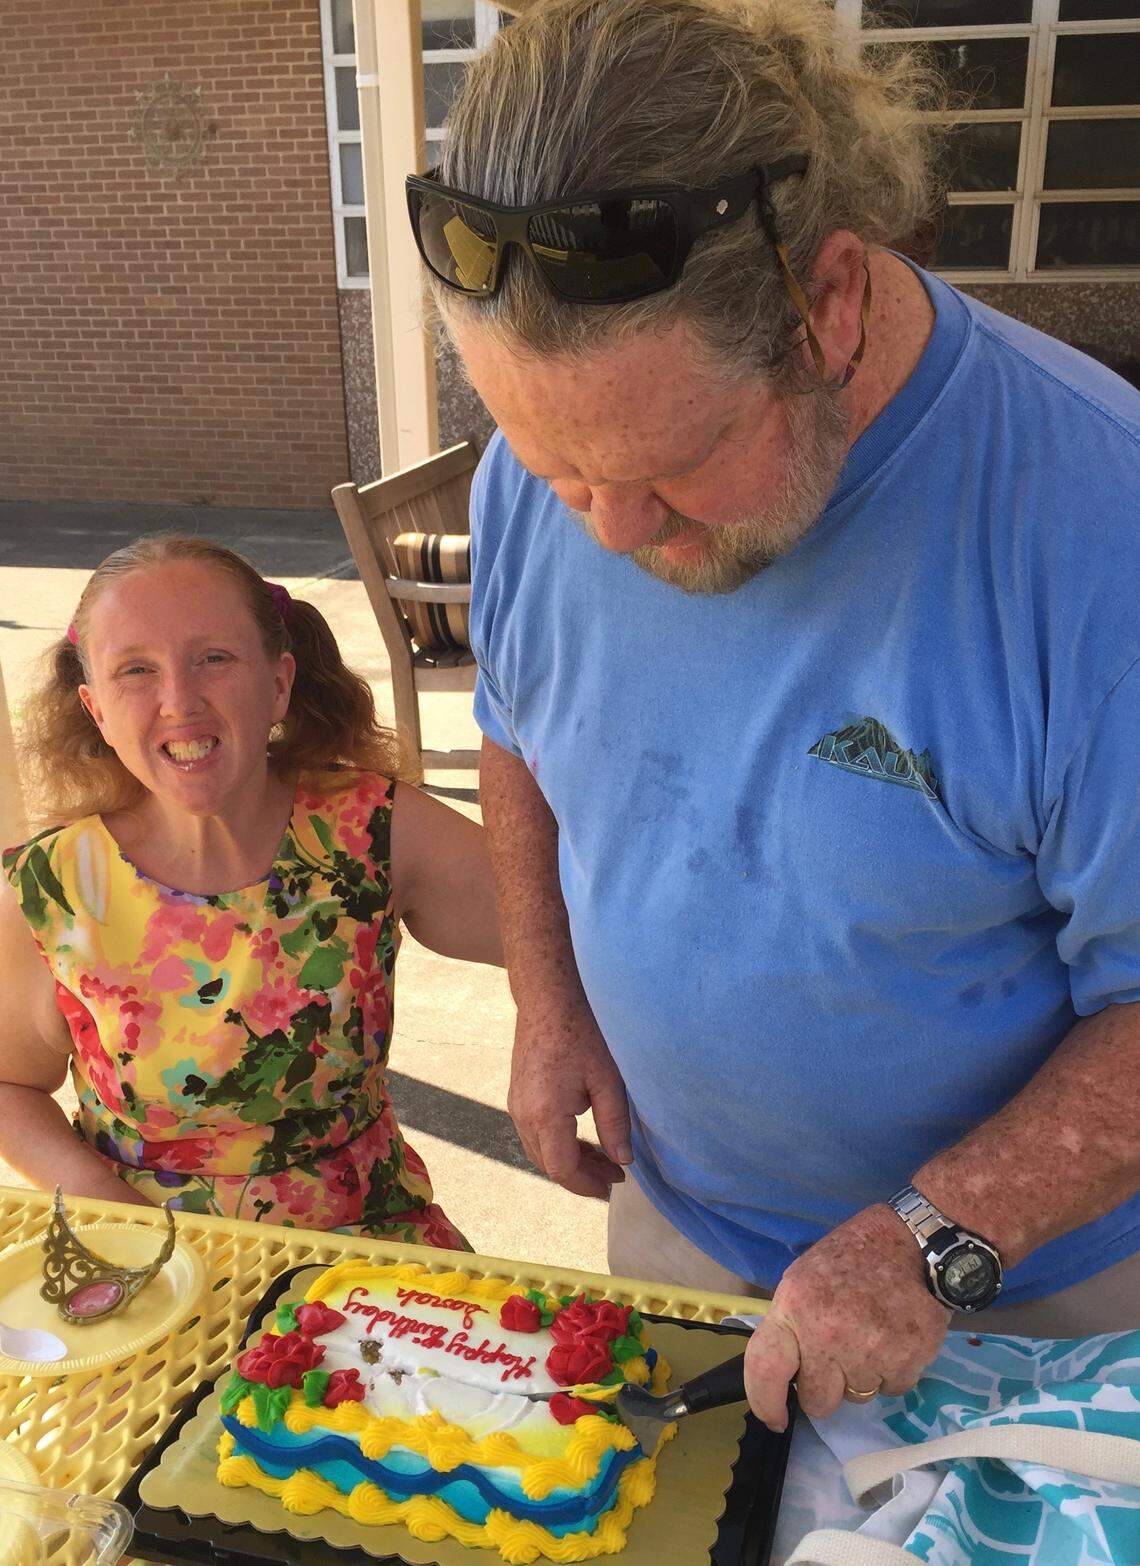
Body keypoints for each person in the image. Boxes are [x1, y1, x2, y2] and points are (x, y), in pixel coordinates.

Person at [406, 0, 1140, 1429]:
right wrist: (546, 994)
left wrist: (933, 1235)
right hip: (682, 1223)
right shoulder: (537, 475)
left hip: (1037, 1291)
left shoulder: (1096, 528)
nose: (605, 532)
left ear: (834, 303)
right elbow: (516, 725)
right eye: (558, 466)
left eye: (672, 464)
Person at [0, 535, 501, 1243]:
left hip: (372, 1252)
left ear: (278, 682)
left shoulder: (372, 829)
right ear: (96, 708)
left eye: (214, 658)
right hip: (146, 1260)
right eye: (136, 670)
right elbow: (10, 1085)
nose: (179, 701)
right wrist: (98, 1199)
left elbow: (569, 937)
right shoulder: (49, 890)